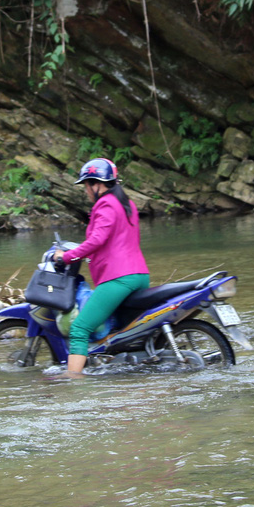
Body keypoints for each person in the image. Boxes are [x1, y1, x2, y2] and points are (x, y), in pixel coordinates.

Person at [51, 158, 150, 377]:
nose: (86, 190)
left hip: (119, 277)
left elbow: (97, 240)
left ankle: (72, 379)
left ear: (97, 184)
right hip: (139, 274)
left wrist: (66, 257)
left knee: (79, 328)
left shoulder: (105, 204)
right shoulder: (127, 203)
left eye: (86, 185)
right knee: (122, 329)